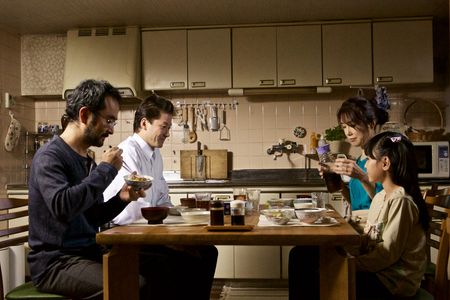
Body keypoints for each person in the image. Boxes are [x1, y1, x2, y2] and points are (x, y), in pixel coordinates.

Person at [28, 79, 145, 299]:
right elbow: (63, 207)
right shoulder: (49, 156)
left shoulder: (85, 159)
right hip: (55, 263)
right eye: (109, 120)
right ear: (84, 115)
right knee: (129, 283)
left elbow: (91, 217)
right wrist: (106, 170)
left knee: (169, 264)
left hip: (87, 253)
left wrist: (122, 198)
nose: (111, 129)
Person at [103, 94, 218, 300]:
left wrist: (182, 221)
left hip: (148, 233)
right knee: (174, 261)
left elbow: (163, 199)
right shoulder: (128, 152)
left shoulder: (154, 154)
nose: (167, 133)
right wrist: (169, 239)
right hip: (125, 238)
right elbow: (131, 213)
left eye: (168, 127)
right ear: (144, 123)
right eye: (163, 127)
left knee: (208, 251)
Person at [289, 131, 429, 299]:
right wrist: (341, 252)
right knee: (301, 255)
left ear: (385, 163)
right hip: (378, 271)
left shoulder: (401, 201)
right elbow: (370, 240)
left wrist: (349, 264)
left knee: (321, 275)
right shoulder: (379, 196)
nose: (365, 165)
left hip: (392, 282)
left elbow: (386, 255)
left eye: (369, 159)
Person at [321, 96, 389, 218]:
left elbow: (388, 203)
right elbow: (355, 204)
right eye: (344, 127)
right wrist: (339, 184)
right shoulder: (360, 160)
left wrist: (362, 176)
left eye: (352, 125)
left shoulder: (383, 157)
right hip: (358, 224)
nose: (348, 132)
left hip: (375, 227)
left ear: (371, 123)